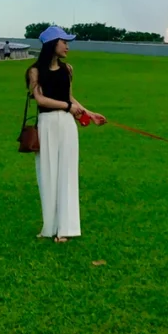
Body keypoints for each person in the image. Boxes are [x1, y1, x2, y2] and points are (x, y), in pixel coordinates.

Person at [25, 25, 105, 241]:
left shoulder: (67, 69)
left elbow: (70, 98)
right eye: (64, 42)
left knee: (67, 174)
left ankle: (66, 229)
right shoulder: (34, 71)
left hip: (67, 124)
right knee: (47, 174)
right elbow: (40, 99)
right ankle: (49, 227)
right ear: (53, 44)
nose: (67, 46)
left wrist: (89, 113)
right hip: (47, 123)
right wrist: (67, 107)